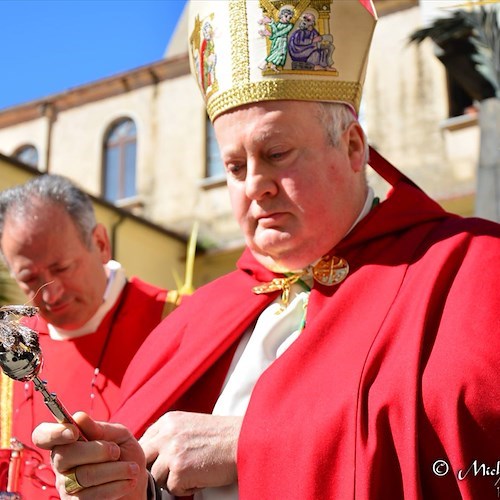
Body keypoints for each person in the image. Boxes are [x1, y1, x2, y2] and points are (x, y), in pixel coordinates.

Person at [33, 1, 500, 499]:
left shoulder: (470, 265)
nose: (256, 185)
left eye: (276, 153)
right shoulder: (199, 319)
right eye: (234, 167)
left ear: (352, 147)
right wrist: (125, 483)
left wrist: (250, 443)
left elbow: (473, 436)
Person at [0, 174, 179, 499]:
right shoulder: (12, 346)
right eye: (29, 278)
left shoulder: (177, 321)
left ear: (99, 243)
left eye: (63, 267)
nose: (51, 293)